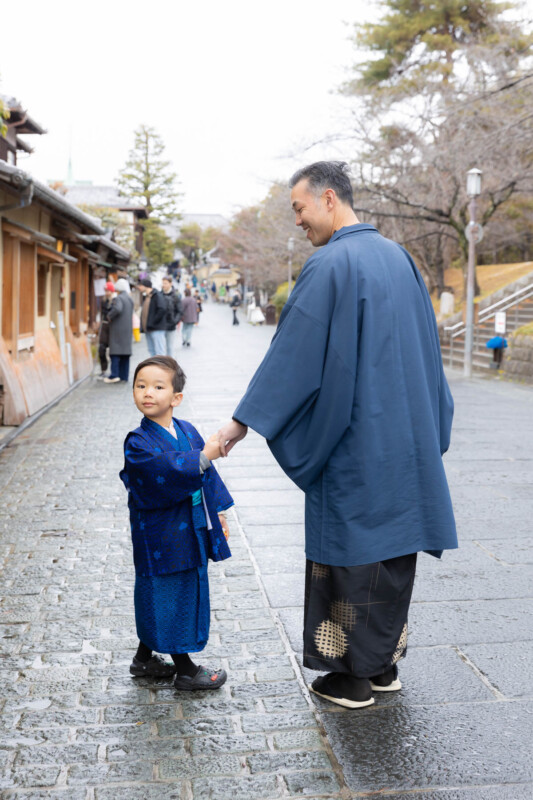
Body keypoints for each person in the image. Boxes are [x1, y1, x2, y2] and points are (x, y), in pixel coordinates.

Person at [217, 160, 457, 709]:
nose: (297, 221)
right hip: (406, 435)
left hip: (356, 438)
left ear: (329, 199)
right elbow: (428, 350)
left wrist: (243, 420)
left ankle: (350, 679)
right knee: (394, 551)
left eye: (299, 208)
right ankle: (383, 666)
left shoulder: (329, 264)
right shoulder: (399, 257)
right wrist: (434, 422)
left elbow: (295, 355)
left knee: (350, 552)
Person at [120, 356, 232, 689]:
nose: (147, 393)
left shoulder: (187, 430)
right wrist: (202, 457)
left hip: (191, 526)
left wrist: (219, 513)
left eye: (158, 386)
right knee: (163, 591)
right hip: (158, 533)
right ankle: (185, 670)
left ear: (176, 397)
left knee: (177, 589)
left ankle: (143, 660)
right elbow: (161, 471)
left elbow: (208, 477)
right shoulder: (137, 442)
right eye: (141, 386)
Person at [103, 278, 134, 383]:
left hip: (117, 330)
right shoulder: (130, 299)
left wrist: (109, 316)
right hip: (127, 330)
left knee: (115, 353)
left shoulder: (118, 298)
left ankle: (114, 375)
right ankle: (124, 376)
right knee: (125, 354)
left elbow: (117, 309)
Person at [137, 278, 167, 356]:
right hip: (148, 329)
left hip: (157, 328)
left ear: (145, 286)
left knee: (160, 351)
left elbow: (162, 309)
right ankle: (154, 364)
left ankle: (161, 364)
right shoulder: (147, 296)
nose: (139, 287)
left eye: (140, 285)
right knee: (151, 351)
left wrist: (152, 322)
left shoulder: (157, 295)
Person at [97, 281, 116, 377]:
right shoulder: (103, 300)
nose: (107, 293)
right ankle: (103, 369)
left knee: (113, 350)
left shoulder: (115, 300)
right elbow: (102, 313)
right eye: (106, 291)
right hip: (104, 325)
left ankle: (114, 371)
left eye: (108, 291)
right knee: (101, 348)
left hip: (113, 327)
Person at [161, 276, 183, 357]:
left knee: (170, 347)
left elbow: (180, 311)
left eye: (165, 283)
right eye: (163, 283)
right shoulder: (159, 295)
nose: (164, 285)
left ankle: (170, 364)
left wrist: (174, 321)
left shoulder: (175, 296)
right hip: (160, 326)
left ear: (170, 284)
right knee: (161, 348)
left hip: (171, 326)